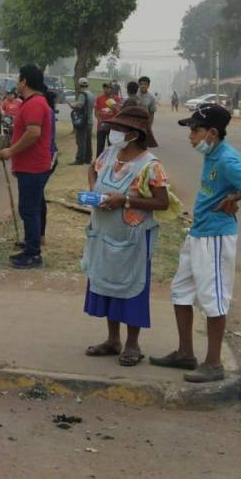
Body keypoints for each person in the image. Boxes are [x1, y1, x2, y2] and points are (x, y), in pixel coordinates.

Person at [150, 105, 241, 383]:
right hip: (198, 232)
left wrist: (236, 199)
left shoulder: (227, 159)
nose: (190, 136)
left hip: (216, 237)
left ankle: (214, 363)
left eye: (195, 130)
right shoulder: (213, 154)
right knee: (180, 291)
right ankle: (185, 352)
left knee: (214, 299)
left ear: (212, 132)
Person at [81, 107, 169, 367]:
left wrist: (126, 200)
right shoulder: (109, 154)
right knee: (107, 284)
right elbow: (92, 168)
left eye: (118, 129)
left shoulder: (151, 165)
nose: (113, 133)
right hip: (104, 234)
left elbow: (162, 202)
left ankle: (132, 344)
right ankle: (112, 339)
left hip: (133, 240)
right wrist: (93, 190)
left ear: (133, 133)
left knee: (131, 290)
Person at [0, 66, 55, 269]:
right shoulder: (34, 103)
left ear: (24, 81)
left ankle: (33, 253)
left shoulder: (35, 103)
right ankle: (31, 243)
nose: (16, 83)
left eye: (18, 79)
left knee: (28, 210)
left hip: (33, 167)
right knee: (33, 208)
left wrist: (10, 151)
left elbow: (33, 133)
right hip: (31, 166)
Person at [68, 78, 94, 165]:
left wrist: (71, 104)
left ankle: (79, 159)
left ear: (79, 85)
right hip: (90, 120)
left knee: (81, 141)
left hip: (83, 121)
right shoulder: (91, 94)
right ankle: (88, 158)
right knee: (88, 141)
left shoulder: (82, 94)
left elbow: (79, 105)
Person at [95, 82, 121, 159]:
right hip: (101, 127)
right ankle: (98, 162)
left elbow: (119, 112)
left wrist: (114, 107)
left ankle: (111, 162)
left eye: (108, 88)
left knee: (112, 147)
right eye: (104, 88)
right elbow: (96, 112)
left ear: (111, 89)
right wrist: (100, 120)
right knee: (100, 146)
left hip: (112, 127)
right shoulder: (99, 98)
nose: (106, 89)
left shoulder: (116, 99)